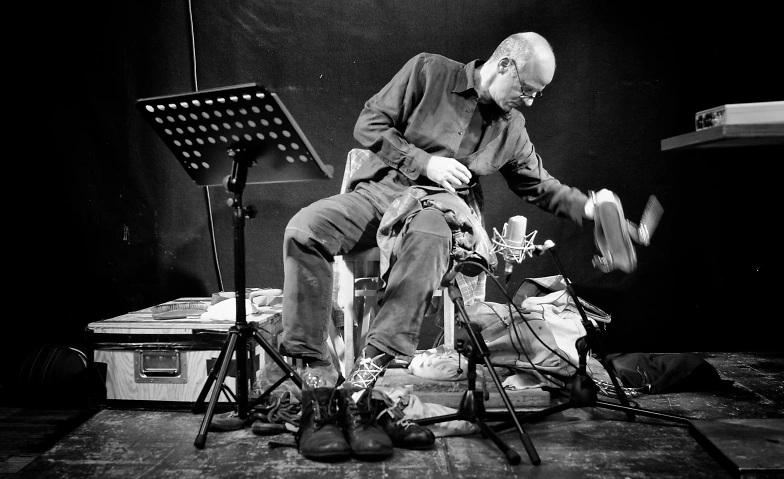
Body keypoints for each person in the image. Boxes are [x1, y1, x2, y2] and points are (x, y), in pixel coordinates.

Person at [279, 32, 629, 461]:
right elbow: (368, 123)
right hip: (379, 194)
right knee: (304, 229)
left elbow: (540, 185)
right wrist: (424, 162)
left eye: (537, 95)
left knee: (429, 238)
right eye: (527, 90)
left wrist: (590, 206)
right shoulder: (428, 71)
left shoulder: (512, 129)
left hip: (437, 210)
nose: (530, 101)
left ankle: (358, 392)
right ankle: (317, 390)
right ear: (504, 64)